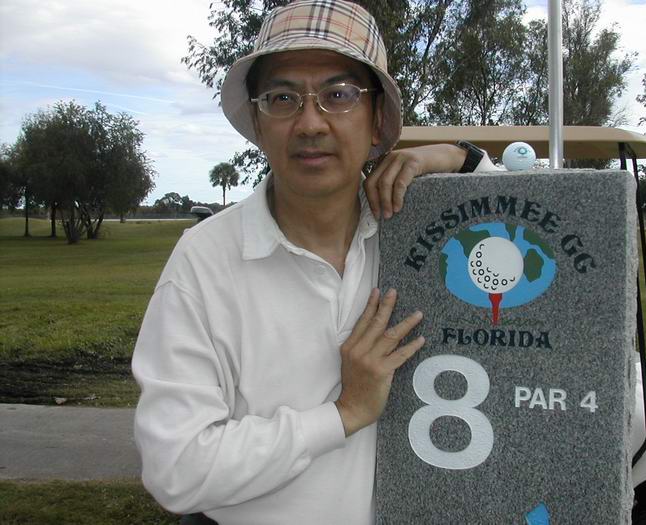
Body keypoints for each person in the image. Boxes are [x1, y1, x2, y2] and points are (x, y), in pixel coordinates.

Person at [132, 1, 496, 523]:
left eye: (338, 94)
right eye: (282, 98)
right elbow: (177, 468)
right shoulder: (206, 258)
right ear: (258, 124)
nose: (309, 123)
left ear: (377, 121)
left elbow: (559, 221)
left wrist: (457, 158)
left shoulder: (417, 232)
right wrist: (344, 414)